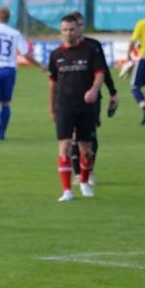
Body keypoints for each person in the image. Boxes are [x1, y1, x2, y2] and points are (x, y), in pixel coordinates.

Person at [48, 14, 106, 202]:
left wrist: (94, 90)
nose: (68, 33)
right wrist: (51, 107)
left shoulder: (90, 51)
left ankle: (84, 181)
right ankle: (66, 191)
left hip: (86, 107)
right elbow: (52, 83)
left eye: (71, 29)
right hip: (64, 106)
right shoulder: (56, 55)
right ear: (61, 31)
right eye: (65, 30)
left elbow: (100, 74)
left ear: (77, 29)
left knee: (86, 150)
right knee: (64, 146)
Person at [0, 5, 46, 142]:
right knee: (6, 103)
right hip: (9, 70)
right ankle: (2, 133)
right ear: (9, 18)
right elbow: (25, 53)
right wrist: (40, 65)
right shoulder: (15, 33)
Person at [69, 10, 119, 185]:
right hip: (71, 99)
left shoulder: (94, 46)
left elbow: (104, 70)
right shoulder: (65, 49)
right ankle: (77, 173)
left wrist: (113, 92)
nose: (78, 29)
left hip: (92, 98)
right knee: (73, 135)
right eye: (75, 26)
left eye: (80, 25)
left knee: (90, 135)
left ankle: (89, 170)